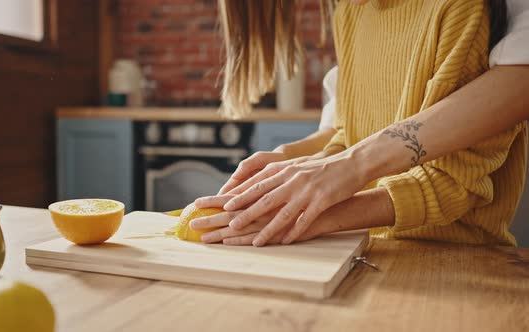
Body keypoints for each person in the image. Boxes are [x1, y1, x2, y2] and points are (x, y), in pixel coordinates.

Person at [191, 0, 529, 247]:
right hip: (370, 249)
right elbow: (351, 131)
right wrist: (295, 164)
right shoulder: (351, 14)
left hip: (457, 266)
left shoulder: (459, 10)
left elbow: (455, 183)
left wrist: (308, 217)